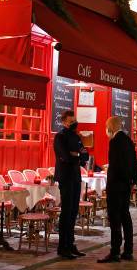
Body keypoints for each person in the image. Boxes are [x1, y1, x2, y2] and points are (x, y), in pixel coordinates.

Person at [98, 116, 137, 263]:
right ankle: (128, 250)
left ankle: (115, 252)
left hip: (116, 186)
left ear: (111, 127)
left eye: (106, 127)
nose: (106, 131)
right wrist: (134, 181)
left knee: (115, 219)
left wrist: (111, 182)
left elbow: (116, 166)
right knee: (125, 217)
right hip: (126, 185)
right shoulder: (128, 140)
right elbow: (135, 162)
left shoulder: (114, 142)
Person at [54, 110, 86, 259]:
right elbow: (65, 156)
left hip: (76, 177)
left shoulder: (76, 136)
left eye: (74, 120)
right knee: (66, 212)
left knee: (74, 211)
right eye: (70, 121)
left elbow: (85, 155)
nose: (74, 123)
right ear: (64, 122)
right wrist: (76, 155)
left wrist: (77, 155)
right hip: (65, 177)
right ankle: (62, 247)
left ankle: (71, 244)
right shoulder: (59, 137)